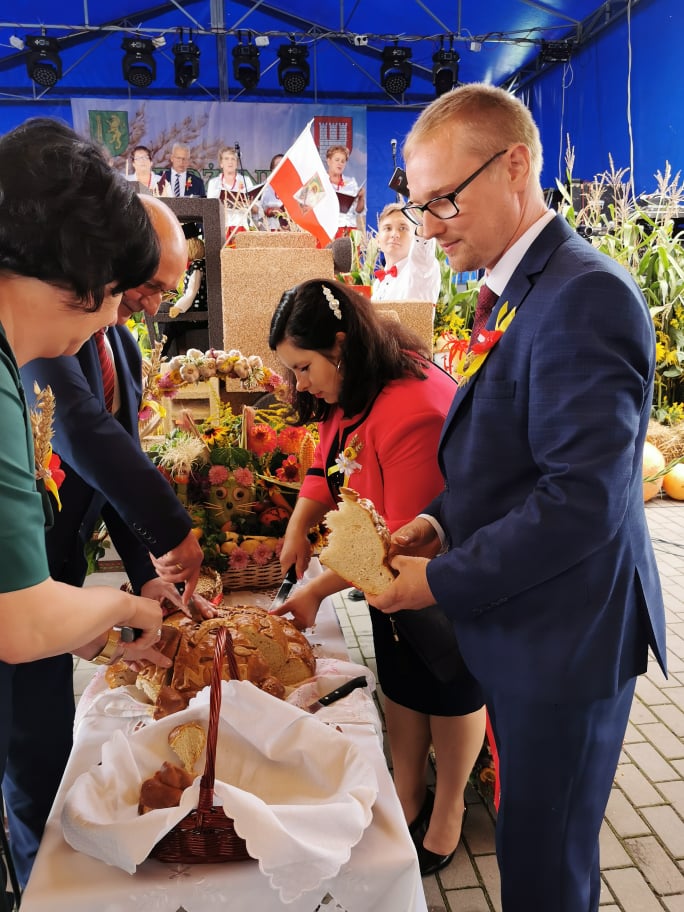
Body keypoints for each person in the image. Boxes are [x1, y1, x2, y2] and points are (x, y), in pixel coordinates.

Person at [371, 84, 667, 911]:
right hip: (528, 620)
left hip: (567, 634)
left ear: (515, 166)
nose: (427, 225)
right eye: (418, 204)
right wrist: (439, 521)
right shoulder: (523, 285)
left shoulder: (584, 295)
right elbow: (513, 461)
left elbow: (581, 501)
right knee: (531, 836)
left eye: (441, 201)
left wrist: (435, 580)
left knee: (545, 856)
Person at [12, 195, 205, 885]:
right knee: (29, 754)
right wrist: (174, 533)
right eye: (150, 286)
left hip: (52, 569)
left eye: (167, 291)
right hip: (20, 584)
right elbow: (80, 434)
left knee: (46, 735)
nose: (154, 306)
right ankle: (42, 884)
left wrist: (148, 567)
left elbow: (118, 454)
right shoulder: (40, 337)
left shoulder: (115, 338)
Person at [268, 278, 486, 877]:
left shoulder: (410, 409)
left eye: (304, 367)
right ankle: (406, 792)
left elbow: (395, 541)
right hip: (389, 580)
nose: (299, 385)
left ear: (339, 344)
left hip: (438, 575)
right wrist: (299, 522)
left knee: (450, 689)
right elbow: (326, 459)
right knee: (402, 678)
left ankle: (447, 813)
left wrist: (314, 588)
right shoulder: (355, 382)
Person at [371, 202, 441, 304]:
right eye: (388, 228)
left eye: (402, 228)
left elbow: (422, 254)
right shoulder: (377, 283)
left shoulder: (421, 269)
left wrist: (422, 225)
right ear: (378, 240)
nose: (394, 234)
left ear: (415, 237)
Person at [207, 146, 262, 233]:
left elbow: (256, 210)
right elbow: (209, 209)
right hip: (221, 229)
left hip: (242, 228)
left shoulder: (245, 180)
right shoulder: (214, 183)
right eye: (226, 159)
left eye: (233, 159)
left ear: (237, 164)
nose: (230, 162)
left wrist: (250, 204)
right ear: (221, 163)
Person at [325, 145, 366, 235]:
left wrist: (361, 197)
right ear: (328, 161)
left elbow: (358, 211)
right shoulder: (320, 180)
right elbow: (305, 204)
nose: (340, 163)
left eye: (343, 161)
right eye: (337, 160)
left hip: (350, 229)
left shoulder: (351, 183)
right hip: (327, 230)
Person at [261, 153, 288, 230]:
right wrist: (270, 211)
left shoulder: (293, 186)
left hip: (291, 229)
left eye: (283, 164)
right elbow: (259, 210)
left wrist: (291, 222)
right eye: (277, 165)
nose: (280, 167)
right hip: (271, 228)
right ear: (272, 169)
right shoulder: (265, 187)